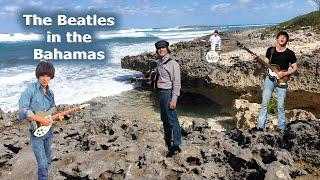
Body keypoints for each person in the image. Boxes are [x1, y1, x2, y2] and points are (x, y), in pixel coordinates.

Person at [18, 61, 61, 180]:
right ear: (38, 75)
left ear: (51, 77)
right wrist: (40, 119)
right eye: (42, 75)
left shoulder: (50, 93)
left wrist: (58, 116)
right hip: (36, 133)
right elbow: (23, 110)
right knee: (42, 164)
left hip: (49, 131)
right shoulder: (29, 90)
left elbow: (53, 108)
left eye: (48, 76)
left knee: (47, 162)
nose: (45, 79)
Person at [255, 31, 298, 130]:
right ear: (277, 38)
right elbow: (265, 64)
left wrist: (284, 73)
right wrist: (258, 59)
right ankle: (260, 127)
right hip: (269, 79)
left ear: (287, 40)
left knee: (281, 105)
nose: (282, 38)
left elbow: (295, 67)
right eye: (280, 37)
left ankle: (281, 127)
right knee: (265, 103)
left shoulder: (290, 53)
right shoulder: (270, 50)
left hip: (282, 80)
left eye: (284, 37)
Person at [154, 40, 182, 157]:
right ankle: (167, 139)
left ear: (167, 49)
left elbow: (177, 83)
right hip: (161, 93)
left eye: (163, 48)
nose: (161, 50)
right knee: (164, 118)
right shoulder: (159, 62)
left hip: (168, 93)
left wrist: (173, 100)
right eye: (159, 48)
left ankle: (176, 145)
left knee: (172, 119)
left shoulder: (173, 64)